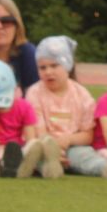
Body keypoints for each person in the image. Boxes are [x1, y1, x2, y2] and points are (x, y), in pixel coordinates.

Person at [23, 35, 93, 180]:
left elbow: (88, 135)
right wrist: (52, 149)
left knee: (85, 156)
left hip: (72, 147)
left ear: (67, 65)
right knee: (36, 153)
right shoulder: (34, 93)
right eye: (43, 67)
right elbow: (38, 131)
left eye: (54, 66)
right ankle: (49, 168)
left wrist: (68, 139)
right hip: (43, 145)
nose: (48, 72)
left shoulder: (82, 94)